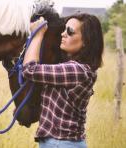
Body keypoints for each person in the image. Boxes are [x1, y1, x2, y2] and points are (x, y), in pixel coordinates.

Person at [22, 13, 104, 148]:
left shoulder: (76, 71)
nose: (63, 34)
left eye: (70, 32)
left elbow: (29, 70)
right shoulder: (82, 69)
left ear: (86, 42)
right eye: (64, 30)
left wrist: (38, 34)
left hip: (60, 144)